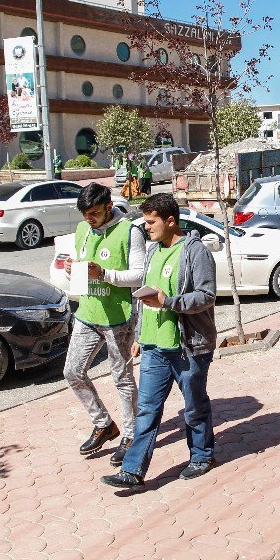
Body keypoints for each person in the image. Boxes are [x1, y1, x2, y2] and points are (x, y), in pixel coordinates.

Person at [101, 193, 218, 490]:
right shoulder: (153, 251)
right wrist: (140, 335)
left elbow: (206, 296)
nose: (147, 227)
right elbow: (144, 296)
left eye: (151, 222)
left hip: (187, 346)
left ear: (170, 221)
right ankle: (132, 470)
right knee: (148, 410)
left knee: (194, 405)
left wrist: (169, 301)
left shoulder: (195, 252)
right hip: (154, 346)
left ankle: (202, 456)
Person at [63, 183, 146, 463]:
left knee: (121, 377)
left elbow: (138, 275)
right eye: (85, 214)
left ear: (109, 206)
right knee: (72, 371)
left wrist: (105, 274)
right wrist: (72, 268)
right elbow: (82, 267)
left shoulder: (130, 231)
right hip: (87, 312)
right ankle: (103, 424)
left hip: (118, 316)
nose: (90, 219)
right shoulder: (81, 229)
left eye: (95, 213)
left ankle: (132, 435)